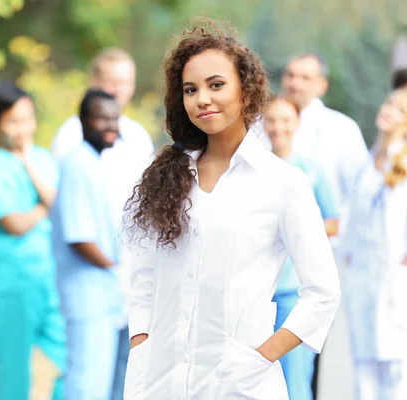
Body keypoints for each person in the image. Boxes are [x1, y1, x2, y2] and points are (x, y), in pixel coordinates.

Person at [122, 21, 341, 400]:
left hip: (239, 385)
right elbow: (143, 277)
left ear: (246, 89)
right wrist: (142, 345)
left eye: (216, 85)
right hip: (159, 382)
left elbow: (322, 292)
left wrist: (259, 359)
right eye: (190, 90)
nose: (202, 98)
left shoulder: (282, 183)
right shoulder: (165, 178)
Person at [52, 48, 154, 400]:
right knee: (86, 377)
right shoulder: (74, 140)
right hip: (95, 273)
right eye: (111, 81)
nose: (119, 89)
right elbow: (75, 221)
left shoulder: (137, 135)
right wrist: (114, 264)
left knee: (123, 374)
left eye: (125, 82)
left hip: (127, 275)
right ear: (94, 83)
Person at [0, 82, 66, 400]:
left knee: (78, 362)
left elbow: (62, 208)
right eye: (14, 121)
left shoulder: (42, 158)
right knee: (10, 379)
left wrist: (28, 165)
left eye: (28, 119)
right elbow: (16, 224)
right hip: (14, 282)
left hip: (53, 279)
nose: (24, 128)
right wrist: (45, 206)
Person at [280, 53, 369, 397]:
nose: (295, 83)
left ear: (321, 85)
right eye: (290, 75)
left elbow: (359, 194)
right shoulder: (264, 122)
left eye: (305, 77)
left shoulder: (341, 130)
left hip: (322, 254)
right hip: (274, 260)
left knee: (307, 350)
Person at [51, 89, 127, 400]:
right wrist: (117, 268)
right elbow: (79, 237)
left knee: (110, 383)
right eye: (102, 118)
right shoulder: (77, 164)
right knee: (87, 385)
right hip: (88, 294)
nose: (111, 125)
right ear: (83, 121)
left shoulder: (96, 163)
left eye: (114, 118)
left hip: (107, 293)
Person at [264, 97, 340, 400]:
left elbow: (334, 221)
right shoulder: (256, 168)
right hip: (259, 295)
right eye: (271, 119)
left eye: (285, 119)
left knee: (294, 384)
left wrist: (294, 232)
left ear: (297, 124)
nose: (278, 127)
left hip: (293, 293)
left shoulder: (312, 170)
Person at [341, 88, 407, 400]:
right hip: (363, 279)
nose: (389, 111)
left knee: (396, 370)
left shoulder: (402, 164)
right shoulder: (368, 163)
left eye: (400, 110)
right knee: (364, 366)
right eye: (389, 103)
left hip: (396, 280)